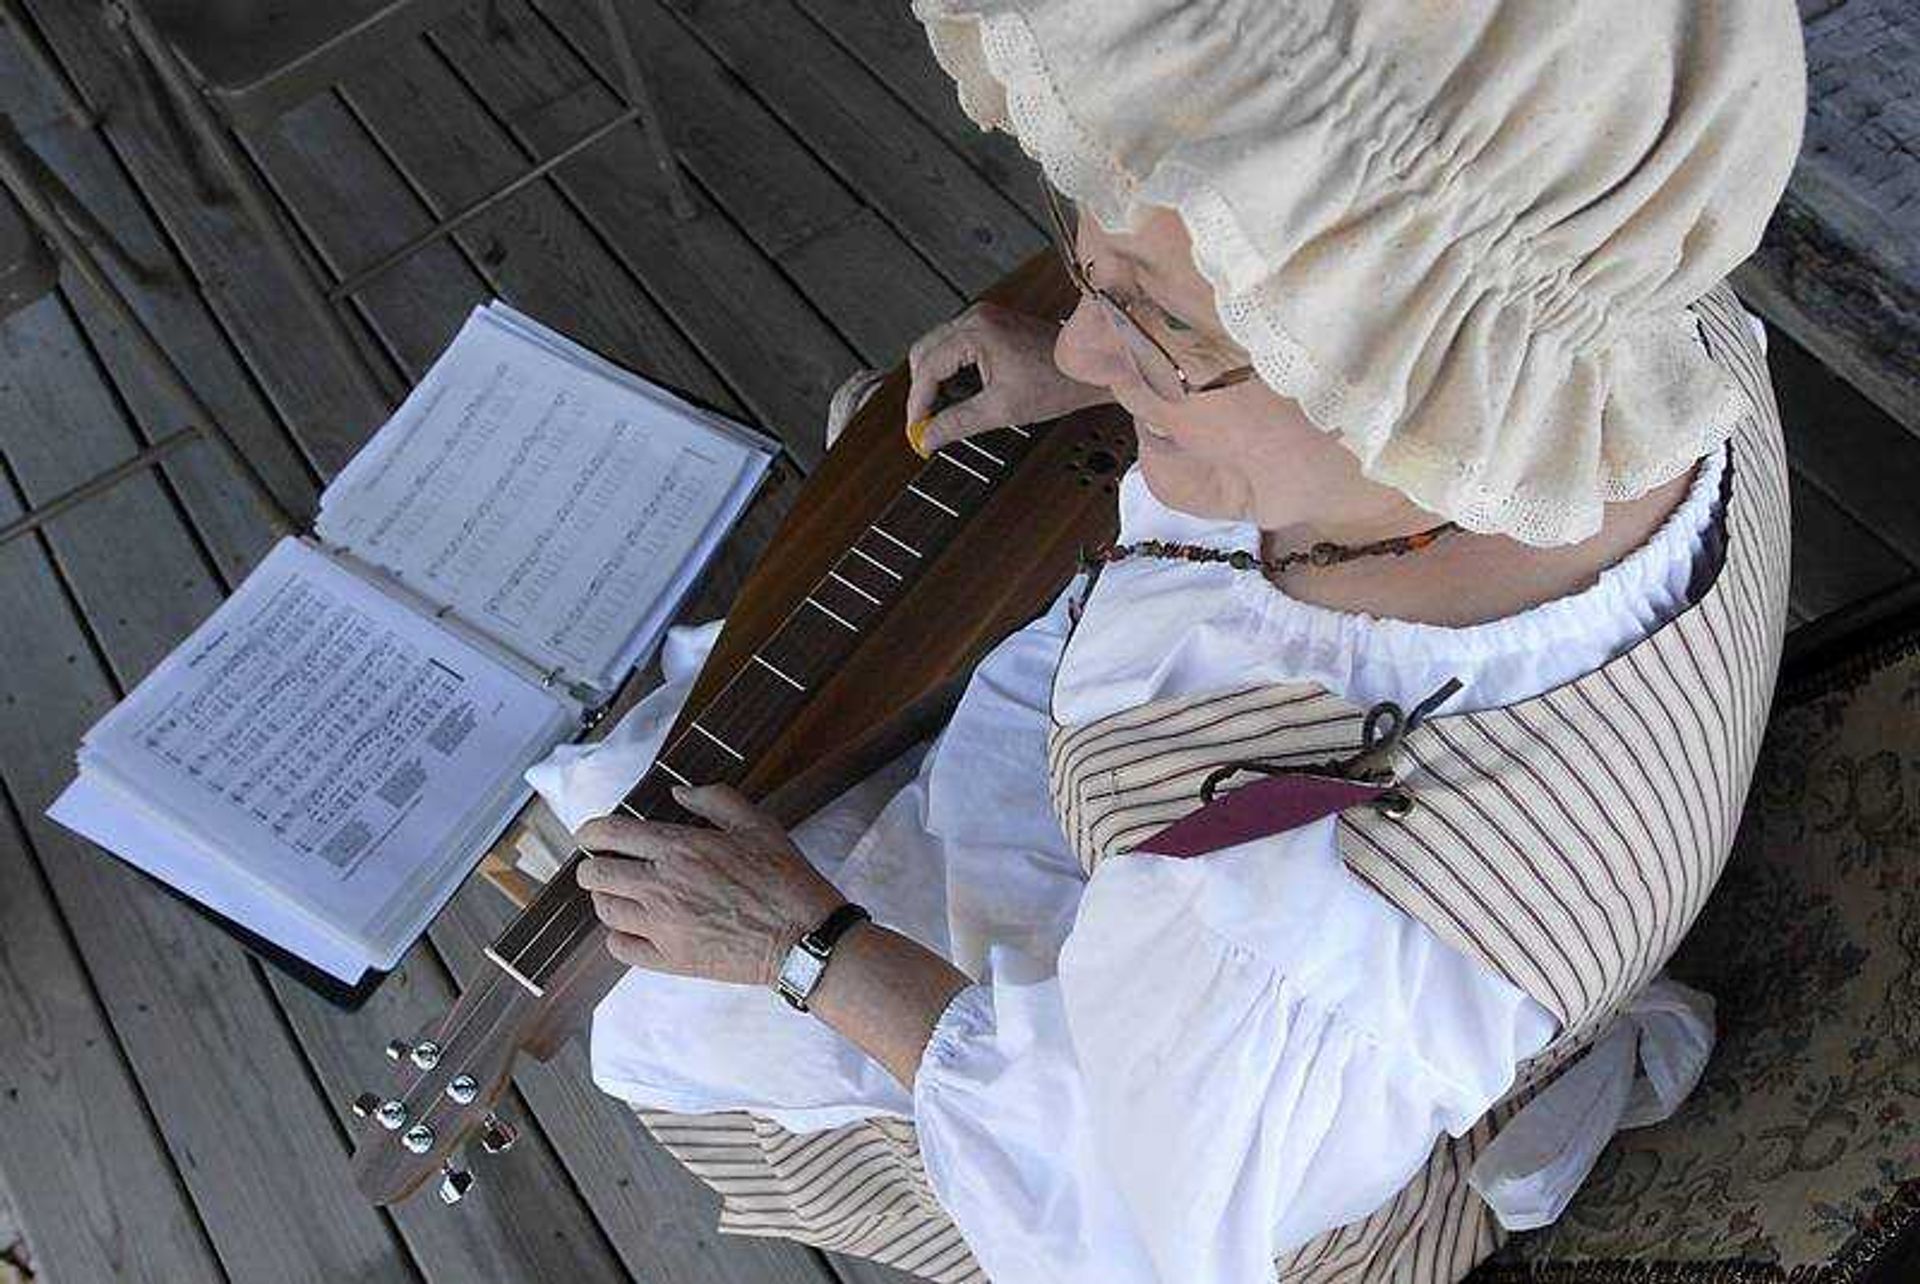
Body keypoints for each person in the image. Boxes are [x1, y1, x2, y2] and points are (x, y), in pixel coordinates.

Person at [542, 3, 1807, 1281]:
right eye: (1102, 282)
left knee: (672, 990)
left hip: (1216, 1163)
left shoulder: (1329, 931)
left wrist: (803, 945)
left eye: (1161, 323)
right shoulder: (1624, 319)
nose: (1088, 341)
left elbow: (1112, 1203)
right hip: (1205, 906)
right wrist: (1115, 367)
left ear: (1407, 380)